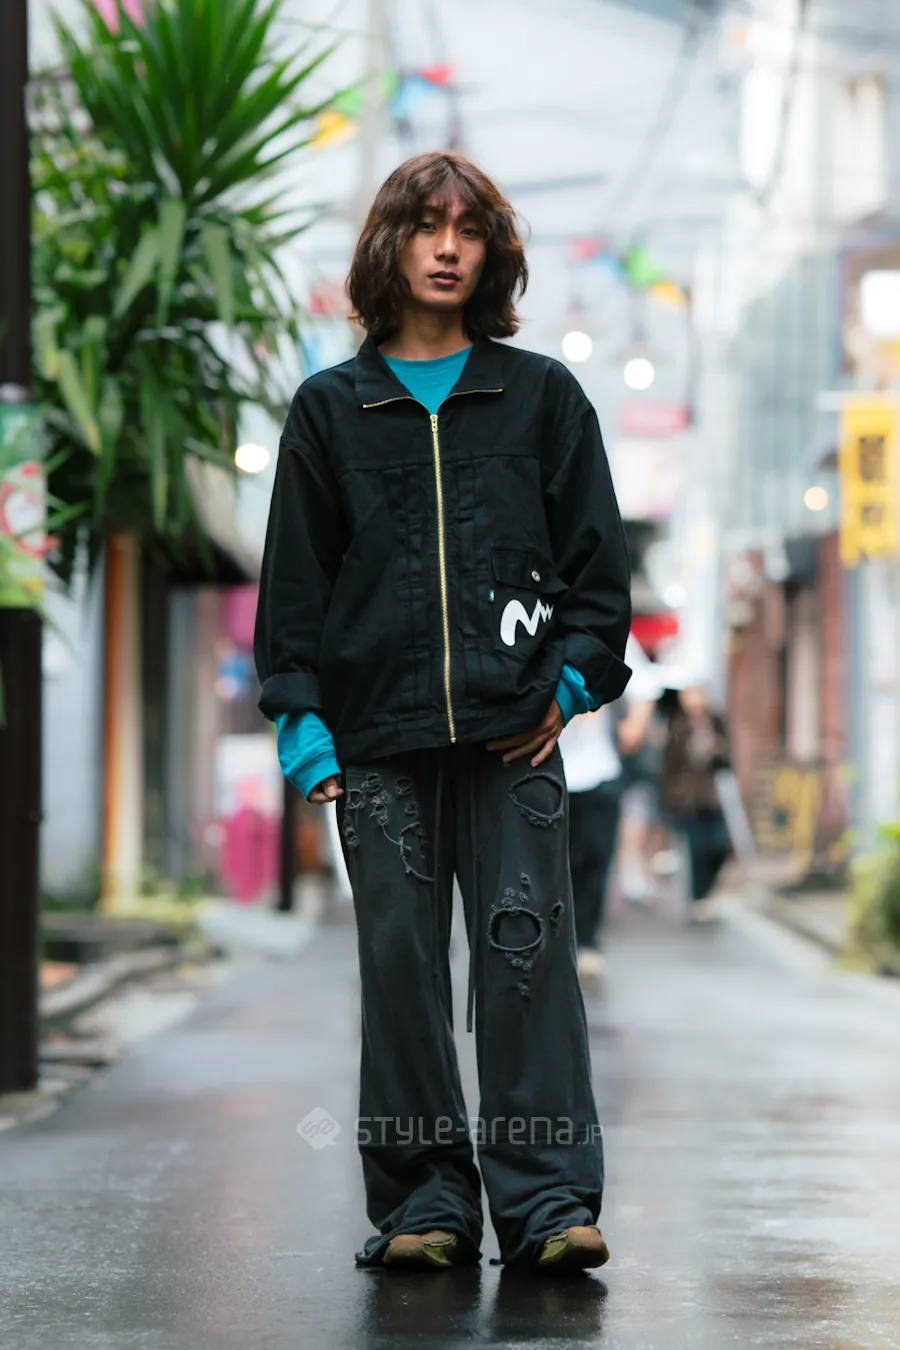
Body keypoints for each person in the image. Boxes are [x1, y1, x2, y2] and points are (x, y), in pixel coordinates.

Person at [254, 152, 632, 1273]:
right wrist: (304, 729)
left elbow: (598, 576)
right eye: (426, 226)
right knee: (401, 973)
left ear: (494, 253)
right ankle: (426, 1203)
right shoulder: (331, 411)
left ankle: (549, 1203)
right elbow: (295, 590)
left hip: (514, 739)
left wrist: (569, 686)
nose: (448, 247)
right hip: (378, 745)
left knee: (525, 963)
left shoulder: (541, 398)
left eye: (469, 229)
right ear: (391, 244)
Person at [560, 633, 661, 986]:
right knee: (551, 863)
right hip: (543, 768)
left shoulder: (603, 626)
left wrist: (635, 726)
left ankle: (587, 941)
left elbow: (645, 686)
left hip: (598, 769)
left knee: (594, 859)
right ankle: (554, 942)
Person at [659, 684, 731, 920]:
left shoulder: (715, 721)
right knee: (697, 849)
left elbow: (728, 759)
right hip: (686, 799)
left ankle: (707, 891)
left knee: (719, 845)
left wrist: (717, 749)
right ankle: (699, 897)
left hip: (711, 796)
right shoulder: (677, 724)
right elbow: (668, 764)